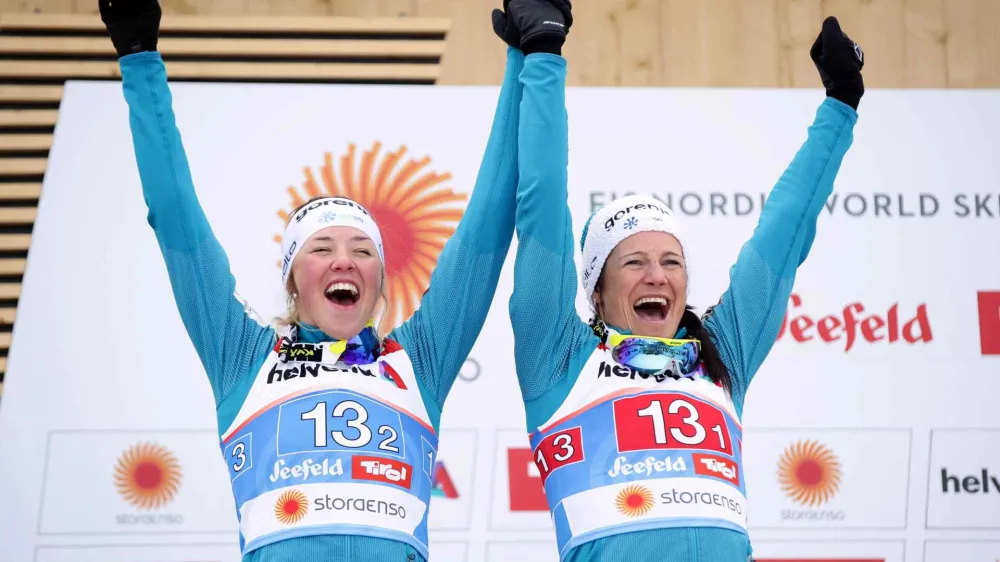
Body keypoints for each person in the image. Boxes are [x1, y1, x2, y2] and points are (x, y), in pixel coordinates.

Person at [99, 0, 528, 559]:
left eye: (362, 251)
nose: (344, 261)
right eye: (322, 249)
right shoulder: (242, 357)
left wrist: (526, 58)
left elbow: (486, 233)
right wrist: (139, 59)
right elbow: (176, 218)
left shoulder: (419, 360)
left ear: (378, 281)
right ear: (293, 282)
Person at [495, 1, 865, 560]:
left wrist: (840, 103)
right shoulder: (558, 360)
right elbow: (541, 206)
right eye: (634, 262)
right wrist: (543, 55)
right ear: (595, 287)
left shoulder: (721, 354)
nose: (657, 277)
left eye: (671, 262)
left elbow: (782, 236)